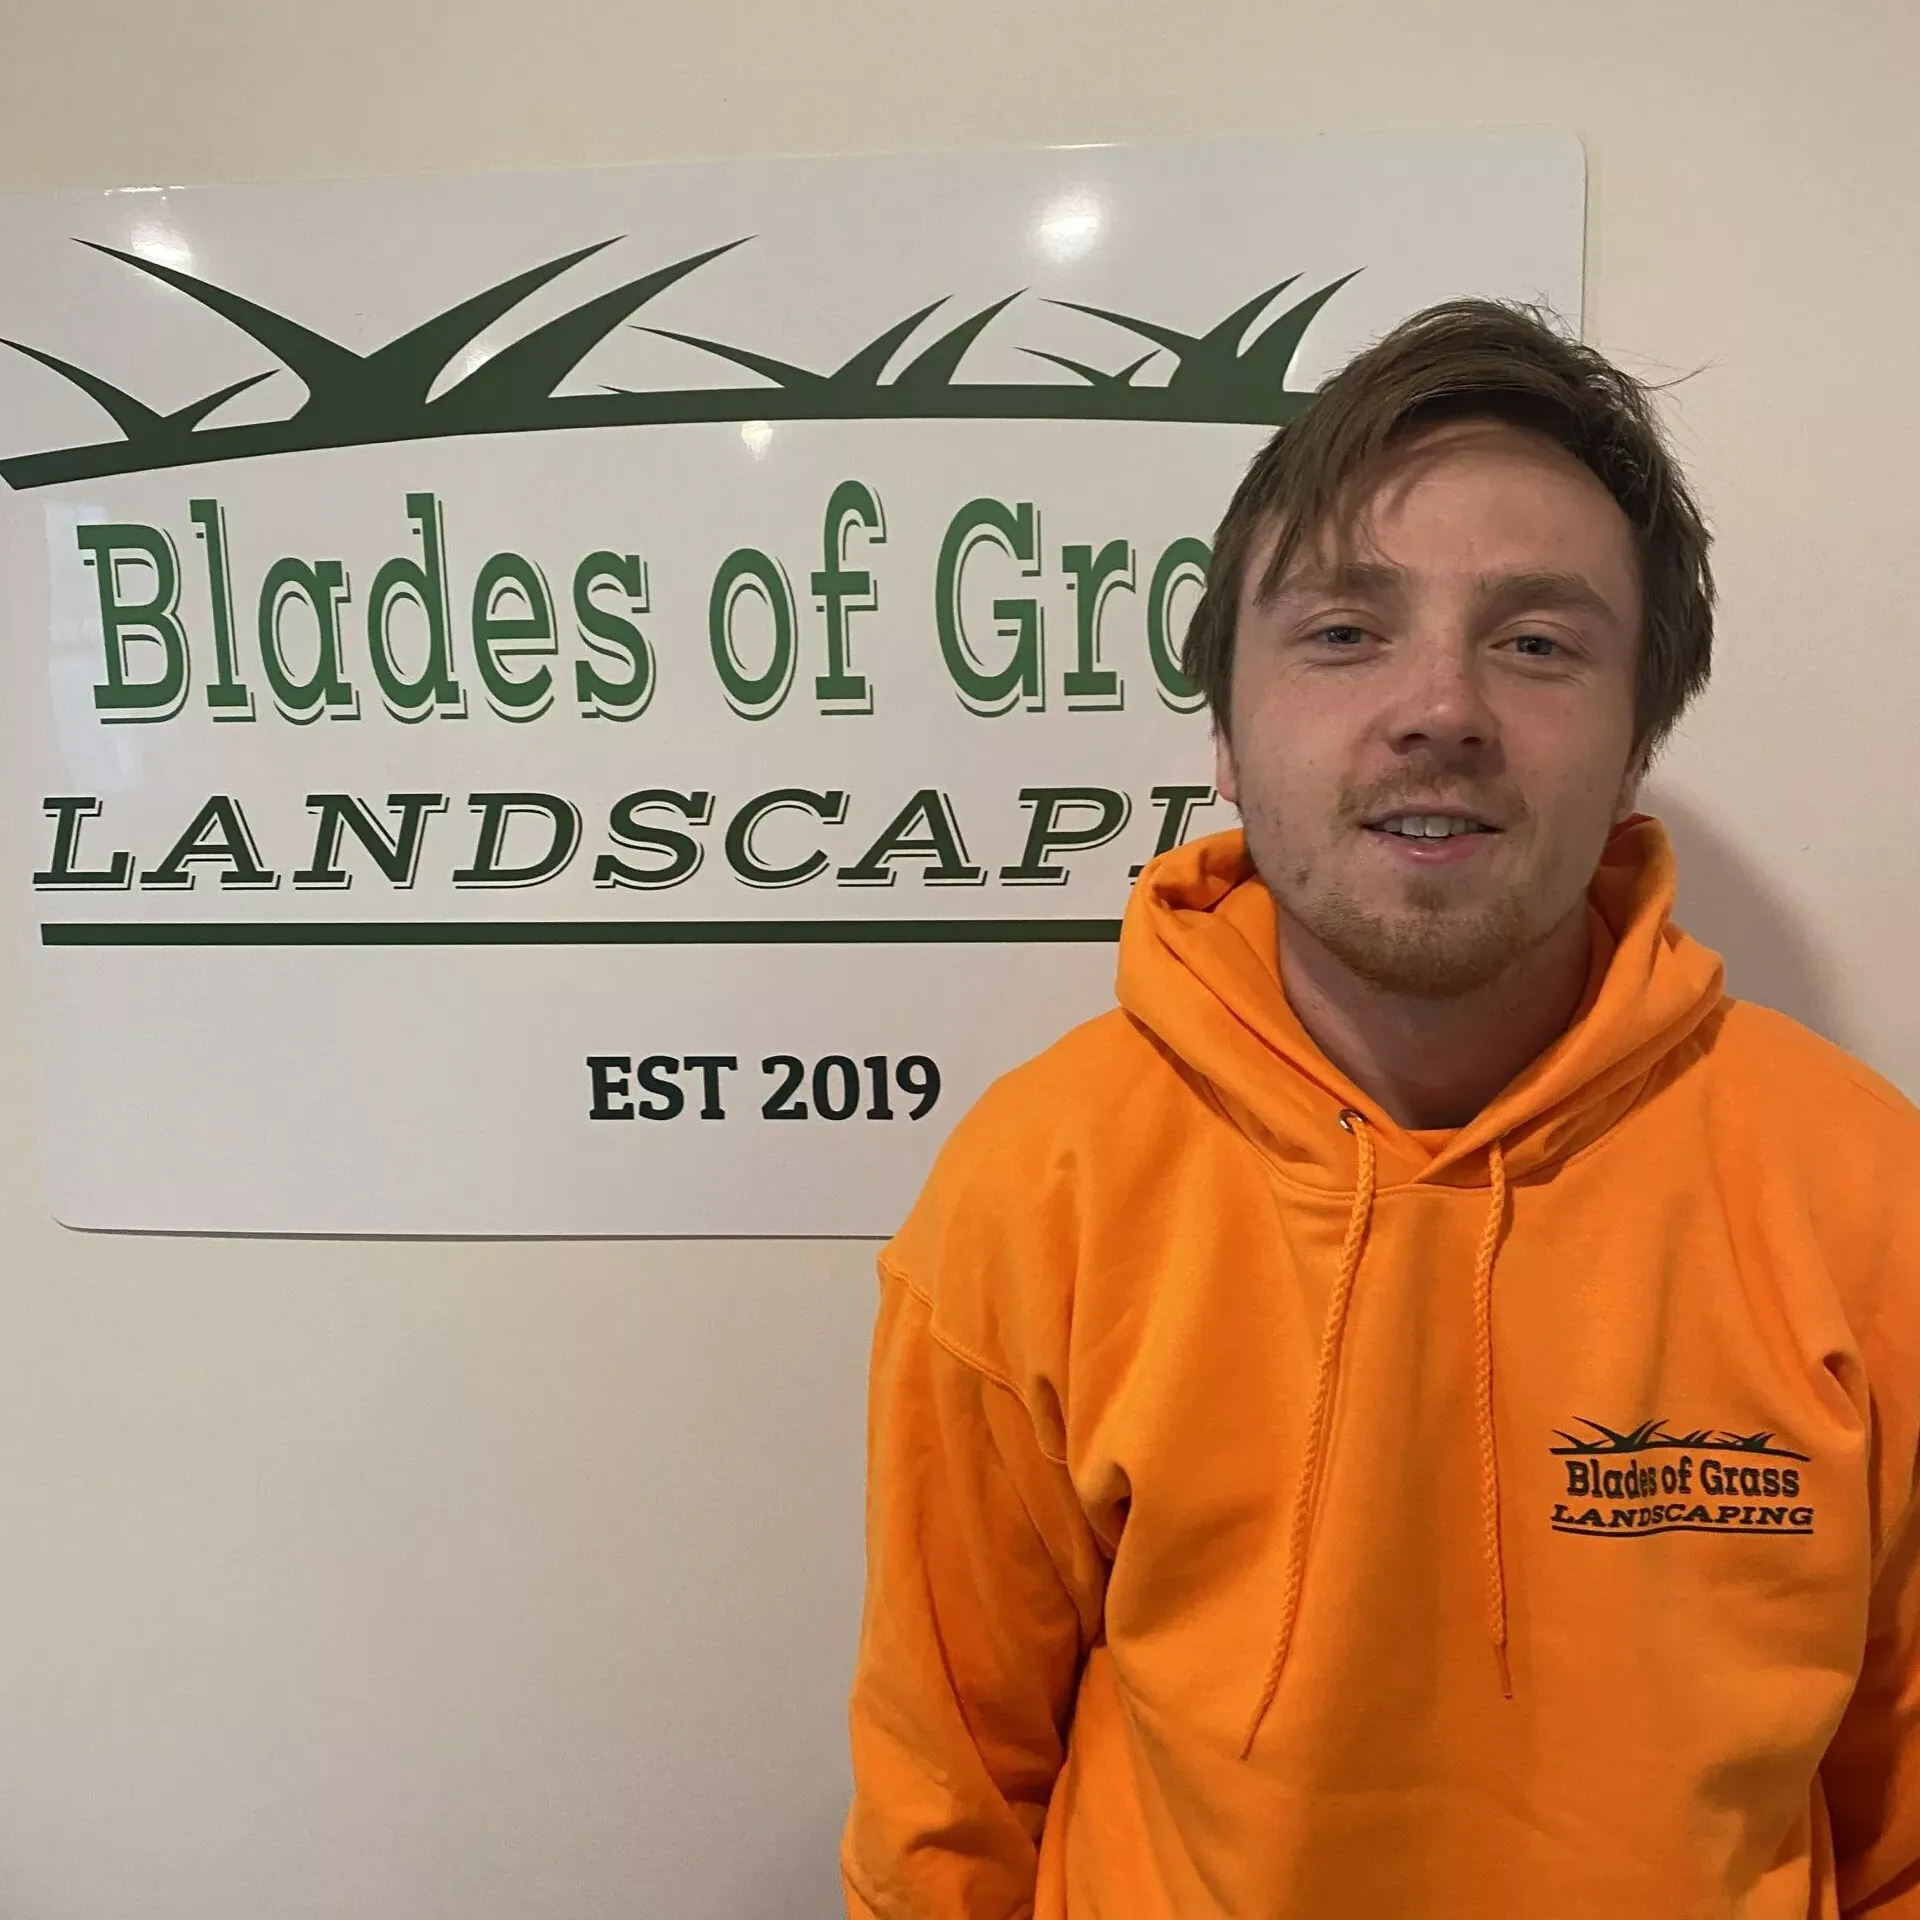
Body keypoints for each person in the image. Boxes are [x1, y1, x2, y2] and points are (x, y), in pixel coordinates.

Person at [839, 300, 1920, 1919]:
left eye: (1537, 642)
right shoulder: (1039, 1180)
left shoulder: (1866, 1193)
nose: (1441, 709)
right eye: (1345, 631)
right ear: (1224, 727)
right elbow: (947, 1807)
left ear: (1636, 745)